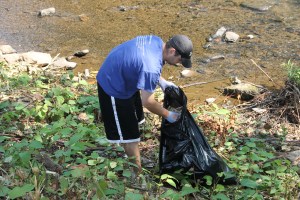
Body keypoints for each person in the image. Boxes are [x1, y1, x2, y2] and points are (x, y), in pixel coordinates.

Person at [96, 34, 193, 173]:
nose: (179, 63)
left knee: (134, 122)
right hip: (113, 86)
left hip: (127, 78)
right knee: (130, 136)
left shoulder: (156, 41)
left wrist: (162, 82)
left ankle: (133, 157)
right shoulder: (151, 67)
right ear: (172, 51)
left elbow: (143, 63)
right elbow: (147, 102)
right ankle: (137, 174)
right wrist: (168, 114)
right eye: (179, 60)